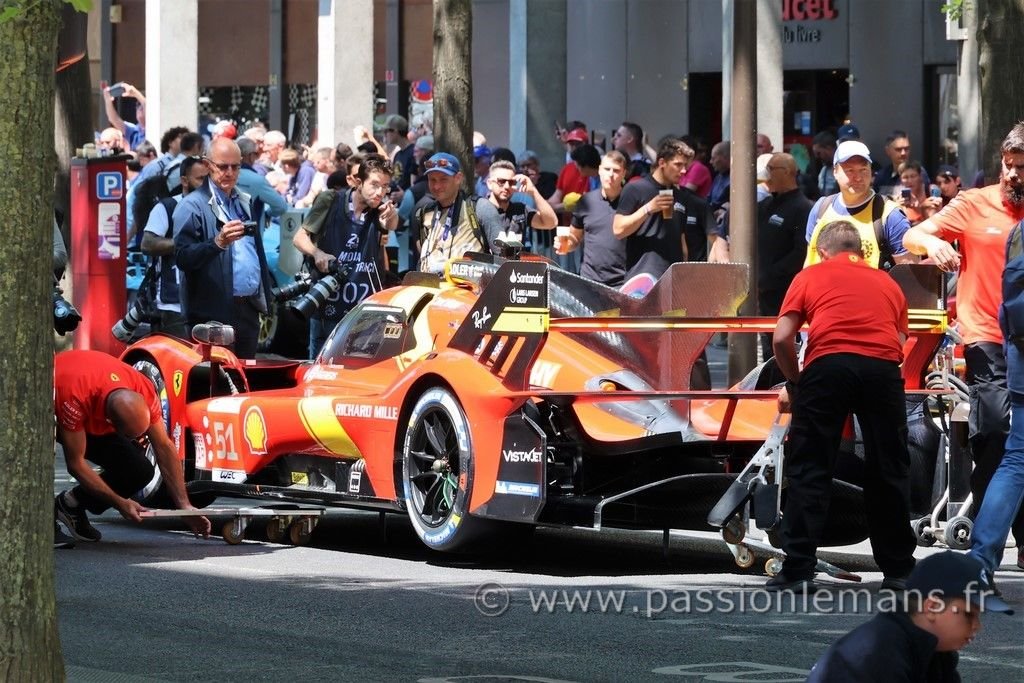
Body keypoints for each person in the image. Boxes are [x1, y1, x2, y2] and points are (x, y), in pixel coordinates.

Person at [768, 220, 916, 592]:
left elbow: (782, 338)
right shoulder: (888, 283)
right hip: (881, 370)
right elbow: (898, 340)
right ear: (863, 252)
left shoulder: (810, 276)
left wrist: (795, 379)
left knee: (811, 465)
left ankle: (798, 568)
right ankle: (898, 570)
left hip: (827, 366)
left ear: (821, 251)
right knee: (889, 468)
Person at [904, 122, 1024, 570]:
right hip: (987, 336)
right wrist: (933, 244)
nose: (1012, 175)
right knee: (994, 431)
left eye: (1022, 168)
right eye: (1008, 166)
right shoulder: (975, 203)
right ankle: (982, 521)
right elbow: (913, 236)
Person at [53, 350, 211, 546]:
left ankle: (70, 503)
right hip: (57, 400)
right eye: (130, 436)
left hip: (95, 396)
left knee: (139, 470)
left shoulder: (143, 388)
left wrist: (184, 505)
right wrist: (119, 503)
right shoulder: (73, 398)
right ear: (109, 422)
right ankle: (44, 524)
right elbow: (75, 464)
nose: (140, 440)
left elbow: (163, 445)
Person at [806, 551, 1012, 682]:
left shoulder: (935, 649)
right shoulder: (880, 654)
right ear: (932, 607)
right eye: (968, 614)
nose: (977, 626)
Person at [173, 138, 275, 359]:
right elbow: (182, 257)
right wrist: (217, 242)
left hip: (247, 308)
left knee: (244, 380)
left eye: (235, 166)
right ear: (209, 165)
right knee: (217, 382)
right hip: (212, 314)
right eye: (222, 166)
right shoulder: (192, 205)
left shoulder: (243, 201)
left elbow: (254, 253)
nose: (229, 172)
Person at [292, 154, 400, 358]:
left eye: (385, 187)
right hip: (328, 308)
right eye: (375, 185)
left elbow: (390, 224)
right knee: (321, 373)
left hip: (366, 313)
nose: (380, 192)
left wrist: (391, 219)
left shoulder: (381, 210)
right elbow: (299, 238)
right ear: (359, 182)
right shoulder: (331, 200)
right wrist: (317, 253)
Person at [613, 137, 725, 283]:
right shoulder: (636, 189)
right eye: (678, 165)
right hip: (641, 278)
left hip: (673, 280)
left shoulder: (681, 196)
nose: (683, 170)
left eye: (685, 165)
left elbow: (682, 241)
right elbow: (618, 230)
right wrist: (648, 208)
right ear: (662, 163)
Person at [805, 140, 914, 270]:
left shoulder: (890, 215)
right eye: (850, 170)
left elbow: (909, 276)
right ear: (835, 172)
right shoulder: (820, 209)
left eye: (863, 169)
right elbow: (809, 266)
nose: (858, 177)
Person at [141, 156, 209, 339]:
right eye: (200, 179)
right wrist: (186, 244)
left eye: (208, 178)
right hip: (174, 305)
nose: (206, 184)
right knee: (179, 363)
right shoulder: (168, 207)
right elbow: (148, 243)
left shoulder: (215, 207)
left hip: (208, 303)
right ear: (184, 180)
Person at [756, 153, 812, 359]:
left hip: (786, 291)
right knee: (767, 343)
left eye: (771, 169)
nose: (766, 175)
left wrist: (769, 276)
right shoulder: (764, 205)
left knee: (784, 344)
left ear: (788, 172)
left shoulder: (803, 208)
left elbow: (800, 252)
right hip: (764, 292)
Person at [413, 152, 504, 274]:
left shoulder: (480, 208)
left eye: (443, 179)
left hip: (467, 291)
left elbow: (504, 260)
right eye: (432, 180)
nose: (437, 186)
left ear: (458, 178)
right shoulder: (424, 212)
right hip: (430, 289)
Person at [563, 150, 628, 287]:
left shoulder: (632, 201)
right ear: (599, 170)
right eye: (607, 169)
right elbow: (575, 238)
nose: (610, 174)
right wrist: (566, 244)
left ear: (623, 173)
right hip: (590, 280)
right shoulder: (586, 201)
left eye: (616, 170)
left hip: (624, 282)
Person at [485, 160, 557, 242]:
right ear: (489, 183)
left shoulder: (520, 210)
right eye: (501, 181)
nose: (507, 186)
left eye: (511, 182)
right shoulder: (480, 210)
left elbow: (551, 223)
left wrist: (533, 191)